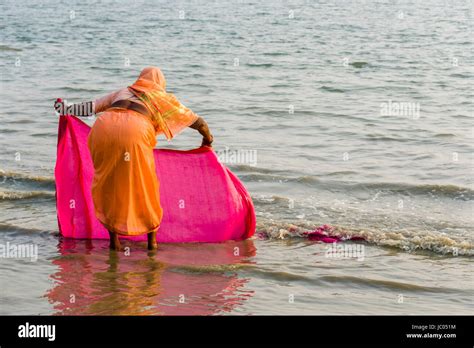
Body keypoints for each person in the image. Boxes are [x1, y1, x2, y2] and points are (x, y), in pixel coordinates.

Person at [54, 67, 213, 251]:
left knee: (109, 183)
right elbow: (197, 121)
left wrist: (65, 109)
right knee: (146, 185)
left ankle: (115, 241)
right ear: (161, 83)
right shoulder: (162, 99)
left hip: (103, 129)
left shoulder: (124, 91)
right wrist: (207, 139)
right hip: (135, 133)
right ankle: (151, 242)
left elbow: (91, 107)